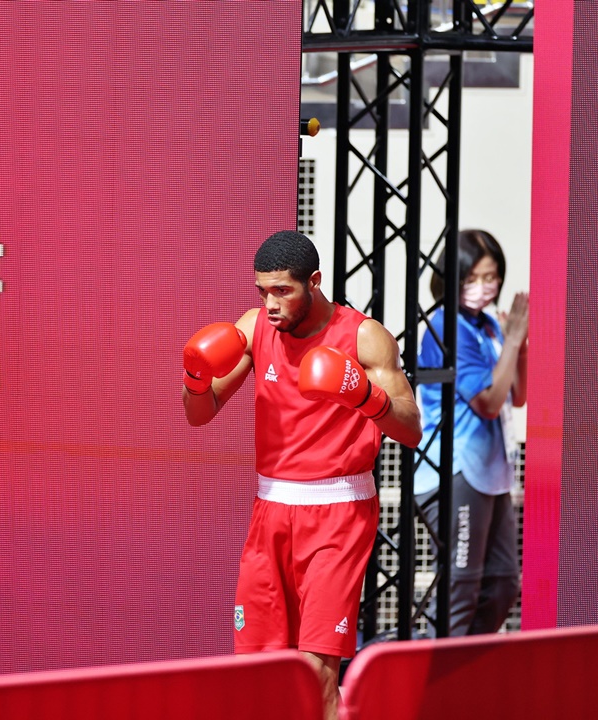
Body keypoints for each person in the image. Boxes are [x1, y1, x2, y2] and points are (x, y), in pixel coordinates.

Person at [181, 230, 422, 720]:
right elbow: (199, 413)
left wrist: (364, 396)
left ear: (314, 282)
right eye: (262, 291)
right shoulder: (253, 327)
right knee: (259, 670)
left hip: (338, 511)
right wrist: (194, 377)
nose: (269, 304)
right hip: (270, 509)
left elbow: (411, 427)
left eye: (282, 291)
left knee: (317, 670)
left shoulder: (363, 336)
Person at [414, 228, 528, 637]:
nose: (484, 288)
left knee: (501, 585)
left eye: (491, 277)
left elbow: (518, 395)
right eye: (472, 279)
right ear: (452, 279)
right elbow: (489, 402)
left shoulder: (490, 326)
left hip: (492, 473)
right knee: (460, 587)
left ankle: (464, 674)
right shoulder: (447, 326)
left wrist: (519, 343)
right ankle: (430, 682)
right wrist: (513, 340)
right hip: (454, 472)